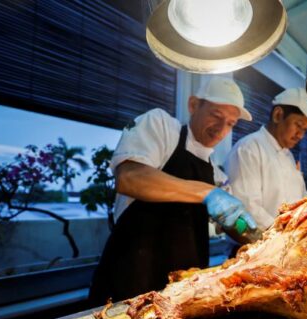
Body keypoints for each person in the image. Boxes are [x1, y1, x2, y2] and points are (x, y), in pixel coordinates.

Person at [89, 77, 257, 305]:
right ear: (193, 105)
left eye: (231, 123)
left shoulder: (217, 175)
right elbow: (129, 177)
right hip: (130, 281)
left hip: (180, 294)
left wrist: (251, 231)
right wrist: (206, 193)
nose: (221, 129)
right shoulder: (161, 127)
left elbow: (234, 225)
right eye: (216, 115)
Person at [224, 88, 307, 230]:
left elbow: (301, 197)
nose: (301, 135)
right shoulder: (249, 148)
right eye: (298, 125)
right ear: (278, 115)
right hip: (259, 241)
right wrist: (283, 234)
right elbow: (247, 207)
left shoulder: (288, 156)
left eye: (305, 129)